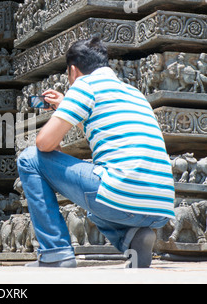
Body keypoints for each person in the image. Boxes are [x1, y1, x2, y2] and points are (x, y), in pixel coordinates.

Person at [17, 36, 175, 268]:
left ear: (73, 70)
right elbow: (98, 127)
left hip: (119, 195)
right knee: (100, 191)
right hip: (159, 207)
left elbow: (43, 144)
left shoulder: (84, 86)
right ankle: (134, 236)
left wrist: (69, 101)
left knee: (29, 158)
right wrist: (66, 104)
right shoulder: (133, 92)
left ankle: (55, 253)